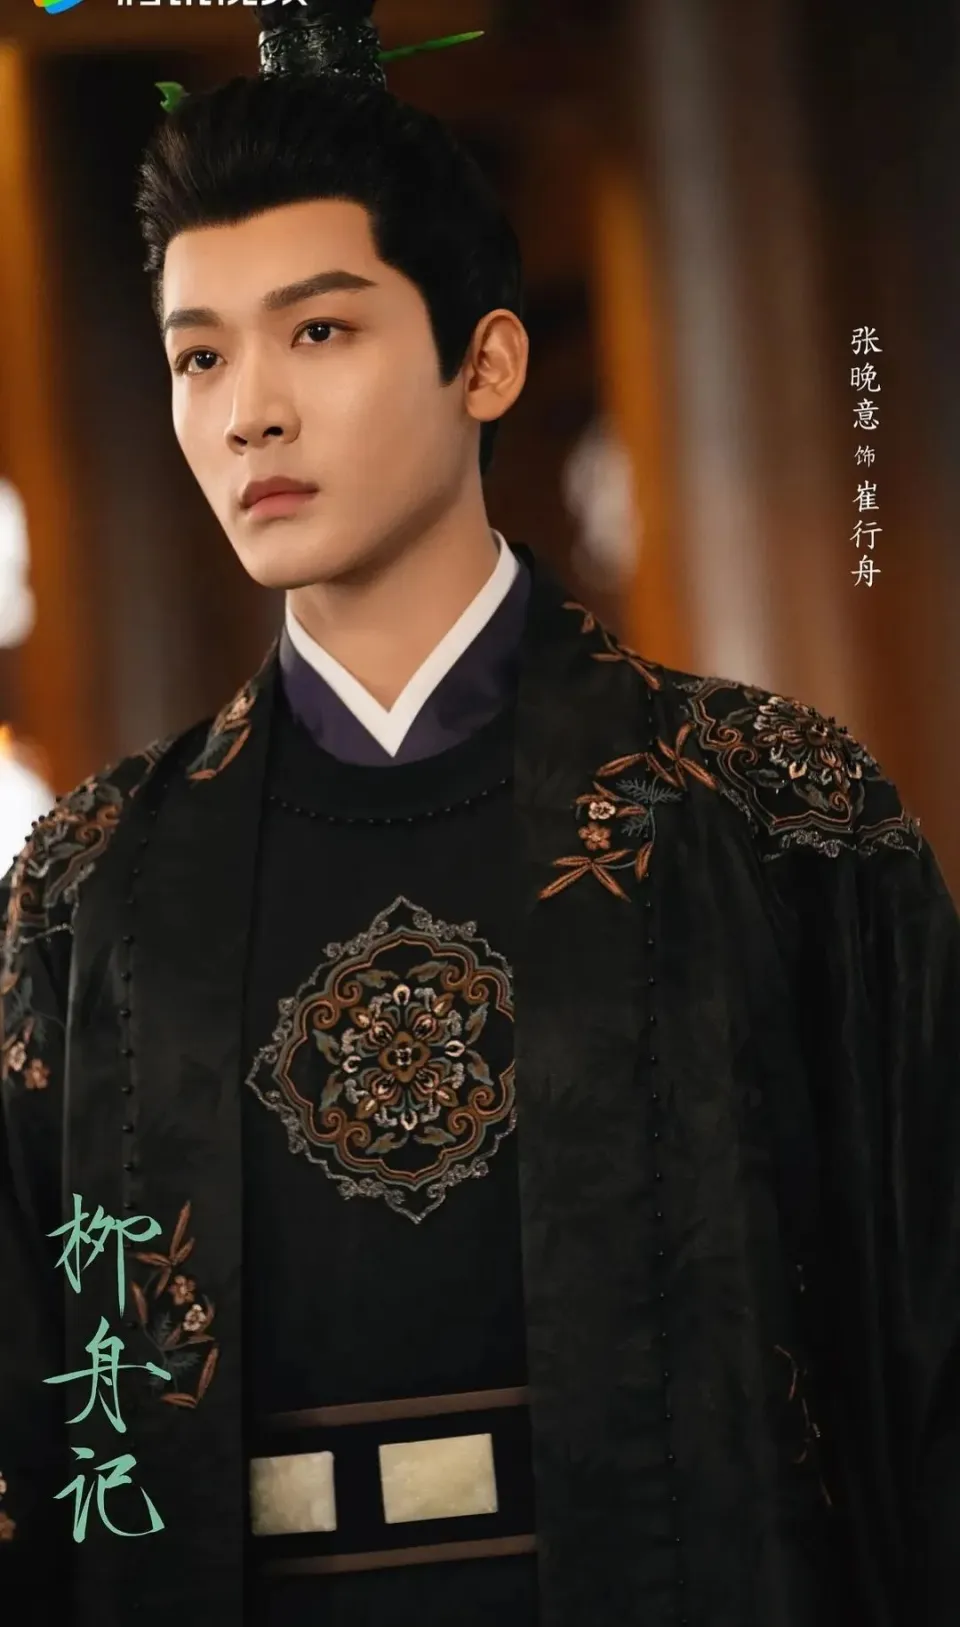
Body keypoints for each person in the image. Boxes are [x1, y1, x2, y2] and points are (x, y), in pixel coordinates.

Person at [2, 3, 958, 1624]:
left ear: (485, 360)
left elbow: (929, 1345)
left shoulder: (774, 809)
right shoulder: (93, 882)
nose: (248, 412)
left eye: (320, 330)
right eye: (199, 355)